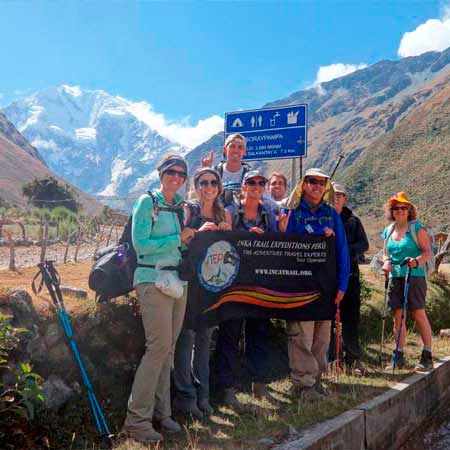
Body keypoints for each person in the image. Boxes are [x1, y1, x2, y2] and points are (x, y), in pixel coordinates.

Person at [123, 155, 195, 444]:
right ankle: (137, 421)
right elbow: (140, 245)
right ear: (161, 173)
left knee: (168, 349)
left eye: (181, 173)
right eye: (171, 172)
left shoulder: (179, 207)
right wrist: (177, 240)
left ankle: (162, 414)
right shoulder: (146, 202)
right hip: (151, 279)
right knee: (158, 348)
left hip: (176, 280)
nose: (176, 177)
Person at [283, 168, 350, 399]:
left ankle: (317, 379)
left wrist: (342, 285)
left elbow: (342, 250)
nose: (317, 186)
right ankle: (303, 384)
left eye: (322, 183)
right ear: (304, 184)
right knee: (301, 335)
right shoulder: (291, 212)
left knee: (322, 335)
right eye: (312, 181)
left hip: (327, 287)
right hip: (300, 287)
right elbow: (284, 246)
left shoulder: (331, 214)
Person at [215, 169, 279, 407]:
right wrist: (245, 235)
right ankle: (228, 389)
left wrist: (276, 231)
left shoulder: (268, 213)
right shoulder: (231, 211)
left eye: (261, 183)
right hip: (234, 284)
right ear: (243, 187)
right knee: (230, 335)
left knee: (260, 334)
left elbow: (276, 242)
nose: (256, 186)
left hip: (260, 284)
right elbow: (226, 240)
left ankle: (260, 385)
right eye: (251, 182)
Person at [173, 168, 232, 419]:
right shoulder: (188, 210)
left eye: (213, 182)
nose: (208, 186)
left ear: (219, 187)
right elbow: (179, 241)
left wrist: (227, 233)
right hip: (189, 284)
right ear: (196, 186)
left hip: (212, 286)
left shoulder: (226, 214)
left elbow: (232, 249)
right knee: (186, 340)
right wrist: (198, 232)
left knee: (205, 341)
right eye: (203, 182)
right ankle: (186, 398)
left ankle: (203, 396)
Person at [382, 192, 433, 371]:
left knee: (418, 313)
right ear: (392, 211)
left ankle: (427, 355)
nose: (400, 211)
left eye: (404, 207)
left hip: (415, 276)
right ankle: (398, 355)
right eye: (396, 208)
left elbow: (427, 252)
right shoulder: (388, 230)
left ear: (409, 210)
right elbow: (385, 253)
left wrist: (416, 261)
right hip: (395, 277)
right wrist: (386, 262)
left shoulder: (416, 228)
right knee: (398, 317)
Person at [331, 182, 369, 375]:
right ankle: (331, 361)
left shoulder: (353, 220)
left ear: (345, 198)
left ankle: (353, 359)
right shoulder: (324, 218)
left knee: (351, 319)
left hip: (351, 277)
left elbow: (364, 244)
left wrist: (345, 251)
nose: (337, 197)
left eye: (340, 195)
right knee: (328, 321)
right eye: (333, 194)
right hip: (328, 280)